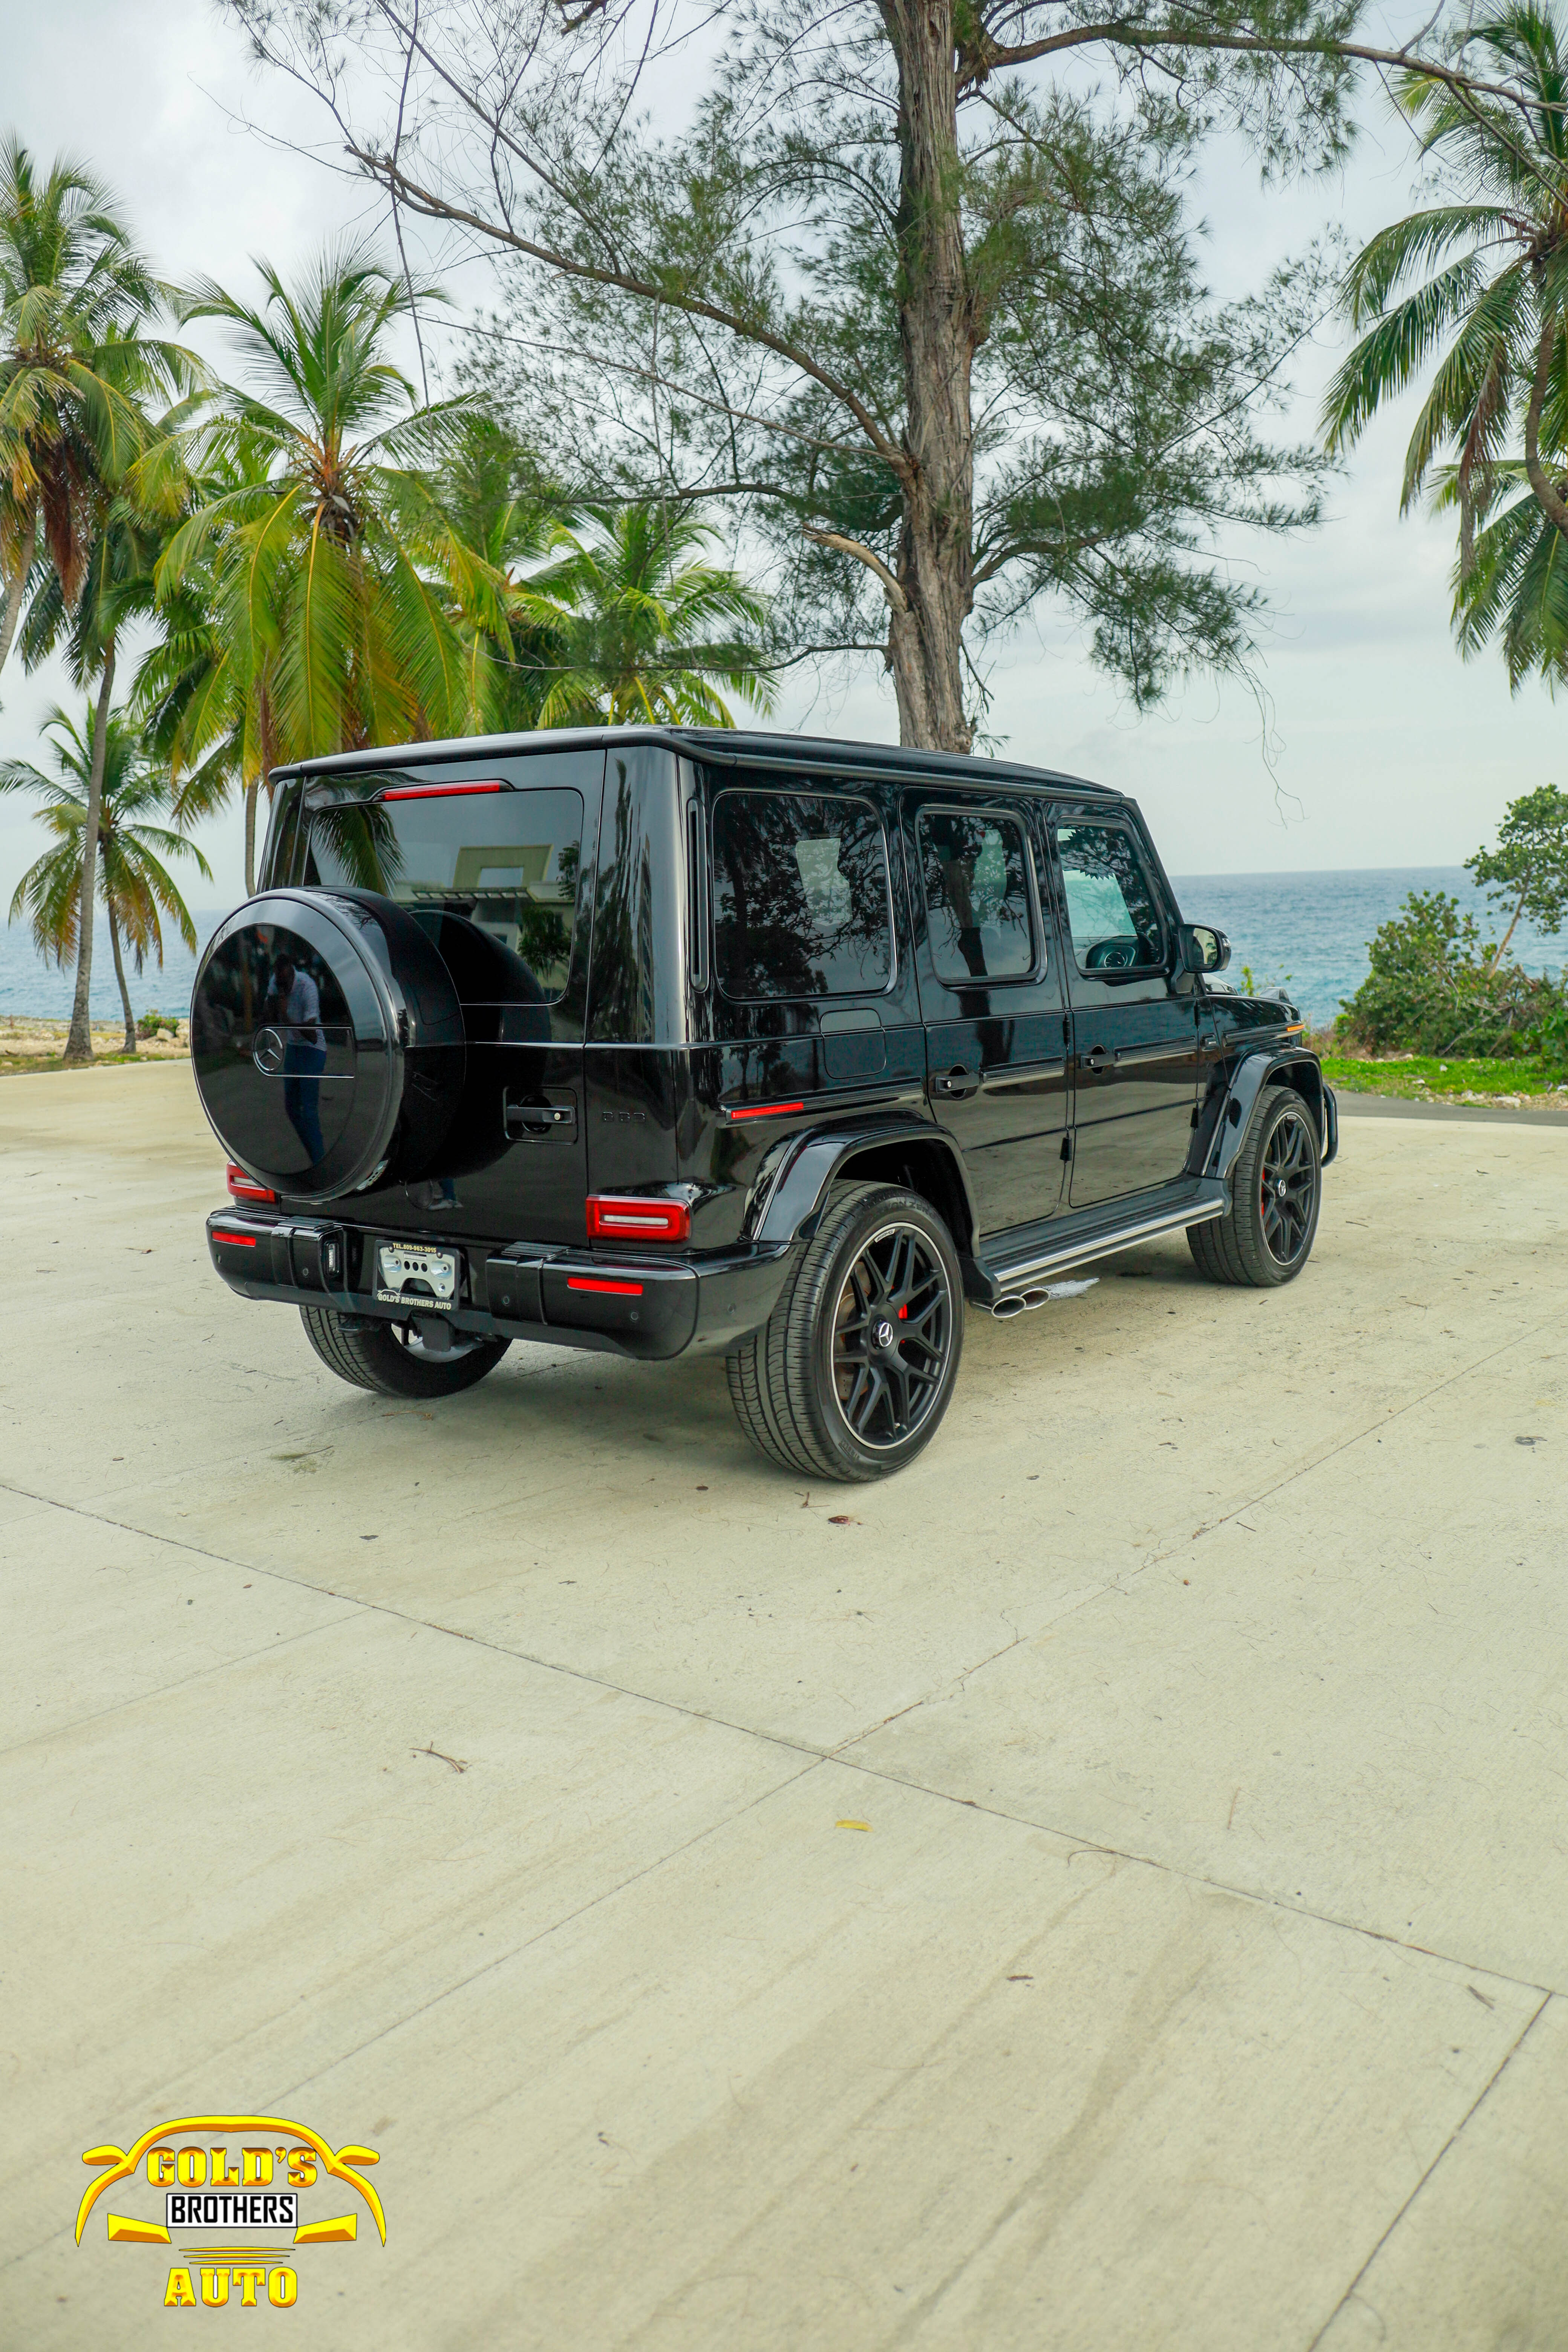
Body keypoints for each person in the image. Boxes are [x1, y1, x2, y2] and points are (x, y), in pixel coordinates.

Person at [267, 951, 326, 1165]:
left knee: (308, 1110)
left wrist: (287, 1016)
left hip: (314, 1049)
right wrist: (275, 1007)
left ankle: (320, 1161)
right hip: (294, 1047)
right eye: (278, 982)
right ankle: (314, 1154)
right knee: (291, 1108)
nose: (282, 987)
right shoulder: (276, 982)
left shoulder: (307, 987)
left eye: (284, 982)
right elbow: (268, 1016)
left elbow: (312, 1035)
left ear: (292, 973)